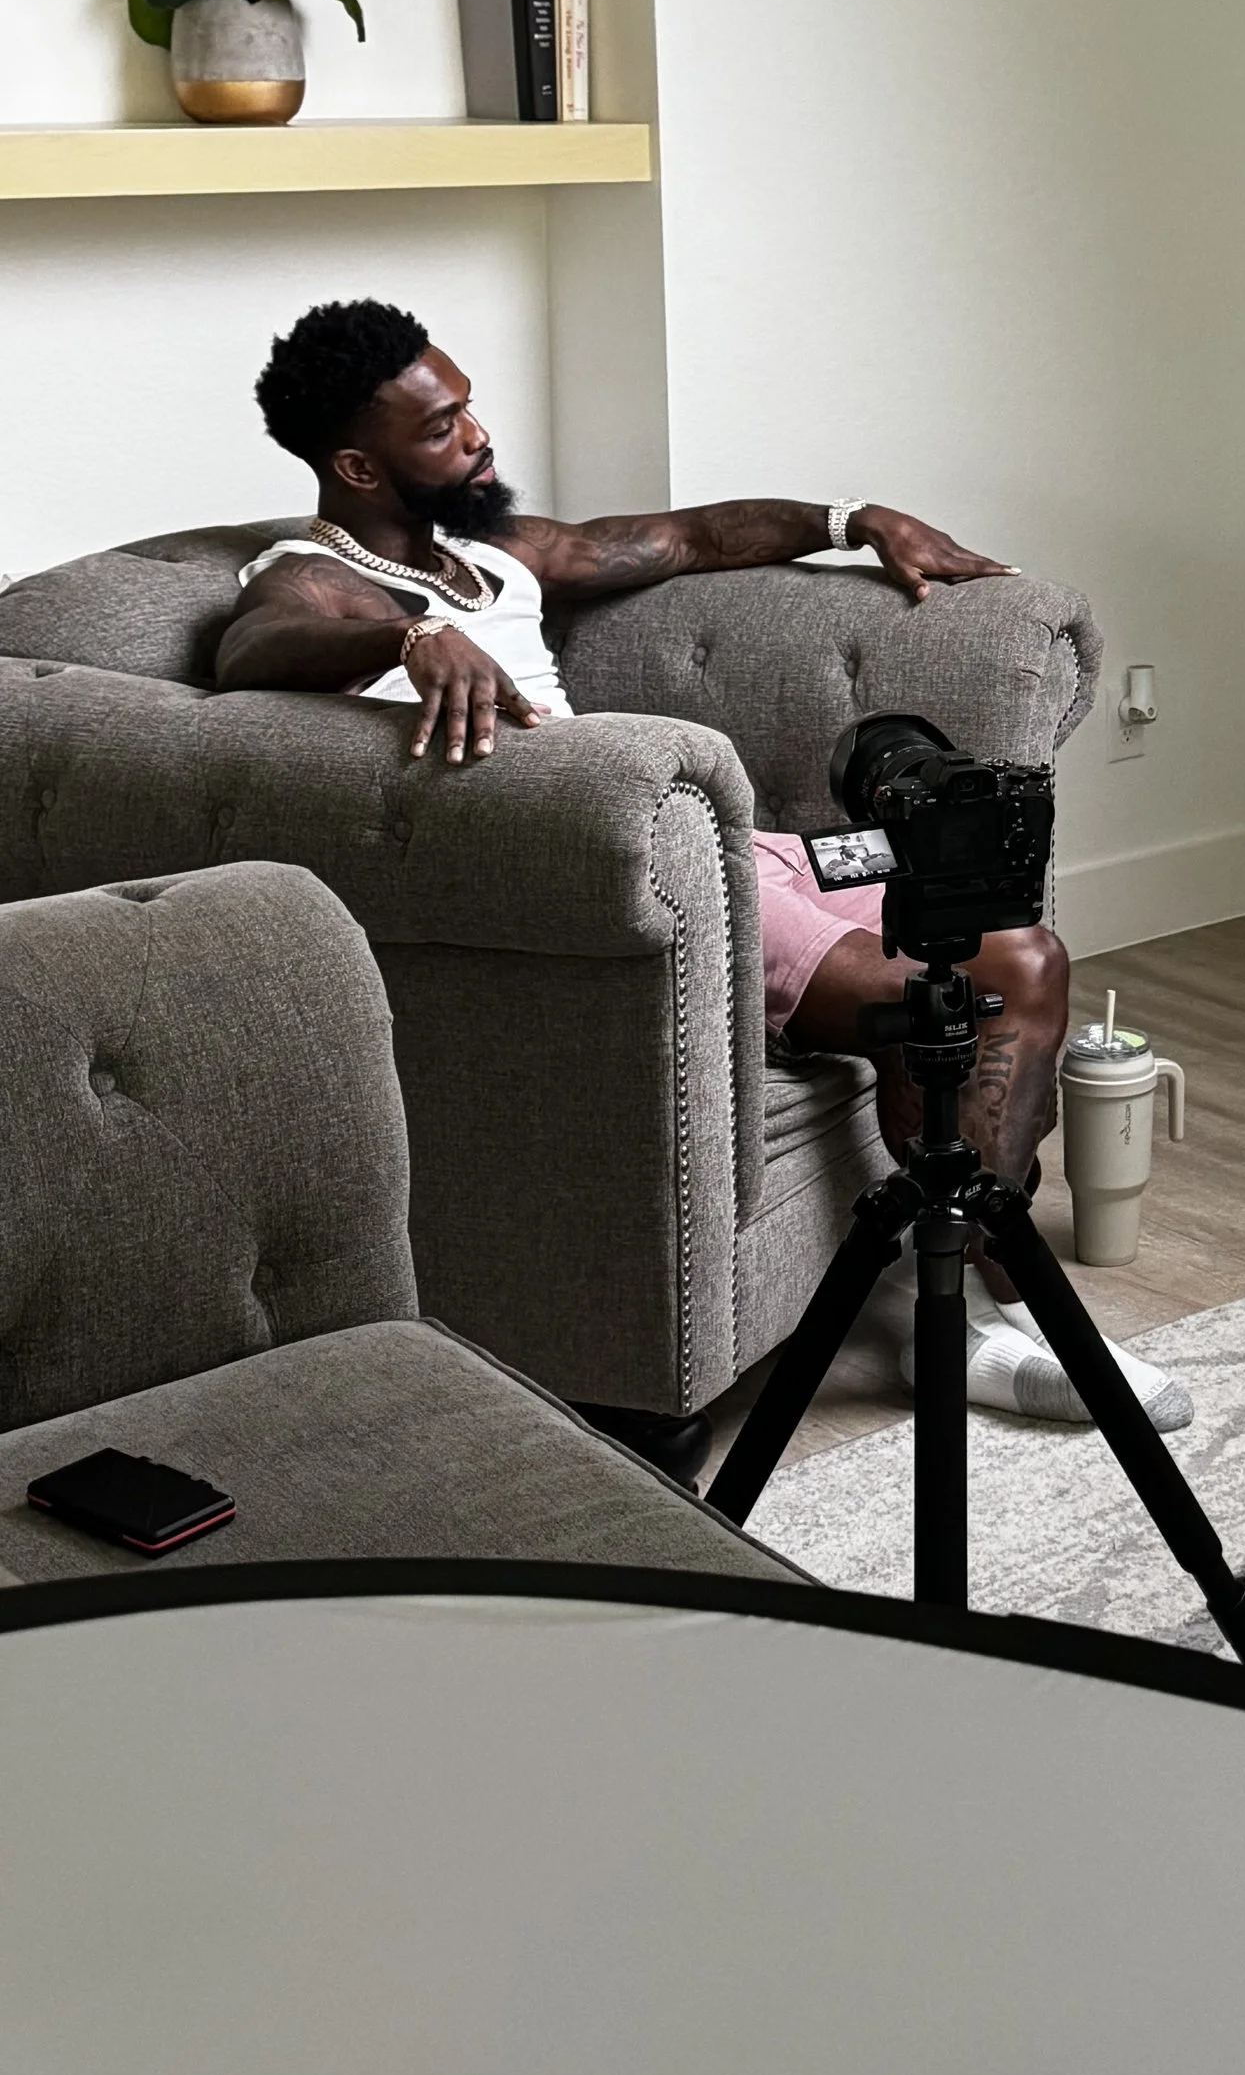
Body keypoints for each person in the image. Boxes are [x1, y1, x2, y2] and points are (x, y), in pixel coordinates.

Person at [218, 297, 1189, 1430]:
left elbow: (686, 538)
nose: (477, 435)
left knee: (1021, 950)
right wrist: (402, 637)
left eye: (470, 405)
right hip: (618, 866)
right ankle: (984, 1323)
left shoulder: (495, 556)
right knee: (946, 997)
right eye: (439, 428)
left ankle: (980, 1304)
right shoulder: (310, 578)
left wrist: (853, 516)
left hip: (721, 839)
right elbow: (254, 650)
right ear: (356, 465)